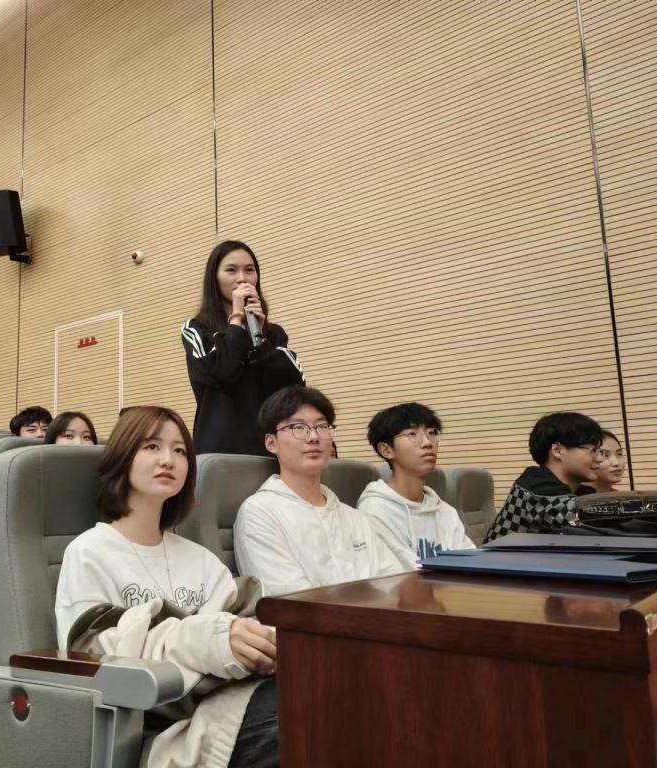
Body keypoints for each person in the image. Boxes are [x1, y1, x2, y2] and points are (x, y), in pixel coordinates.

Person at [56, 406, 277, 768]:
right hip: (150, 729)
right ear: (123, 456)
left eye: (179, 451)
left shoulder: (200, 558)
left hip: (222, 705)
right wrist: (207, 642)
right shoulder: (89, 552)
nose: (168, 460)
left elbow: (235, 627)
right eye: (152, 447)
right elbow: (91, 656)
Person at [234, 386, 405, 596]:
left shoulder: (355, 517)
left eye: (322, 426)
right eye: (298, 427)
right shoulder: (260, 513)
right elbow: (291, 599)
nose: (314, 437)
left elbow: (395, 584)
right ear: (271, 443)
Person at [181, 240, 304, 455]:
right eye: (231, 270)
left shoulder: (274, 334)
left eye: (249, 270)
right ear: (214, 278)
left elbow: (295, 388)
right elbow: (224, 373)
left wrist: (261, 340)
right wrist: (236, 320)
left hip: (269, 449)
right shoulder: (197, 329)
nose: (242, 279)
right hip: (219, 451)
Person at [358, 402, 474, 570]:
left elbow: (472, 563)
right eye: (412, 434)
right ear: (386, 450)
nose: (427, 442)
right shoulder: (375, 511)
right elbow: (403, 575)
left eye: (432, 433)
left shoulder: (445, 511)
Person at [483, 412, 601, 542]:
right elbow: (586, 522)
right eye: (593, 450)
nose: (600, 459)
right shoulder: (537, 489)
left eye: (600, 451)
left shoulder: (577, 492)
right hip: (501, 555)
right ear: (557, 450)